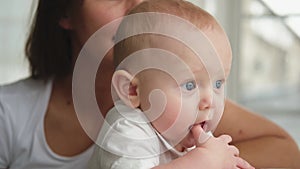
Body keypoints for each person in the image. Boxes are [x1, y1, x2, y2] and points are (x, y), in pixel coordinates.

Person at [0, 0, 298, 169]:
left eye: (218, 82)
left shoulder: (193, 105)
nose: (136, 4)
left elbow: (287, 155)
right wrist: (203, 162)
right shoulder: (10, 113)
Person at [88, 0, 254, 168]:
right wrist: (202, 162)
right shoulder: (128, 129)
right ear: (132, 90)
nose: (209, 102)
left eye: (218, 83)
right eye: (189, 85)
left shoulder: (191, 132)